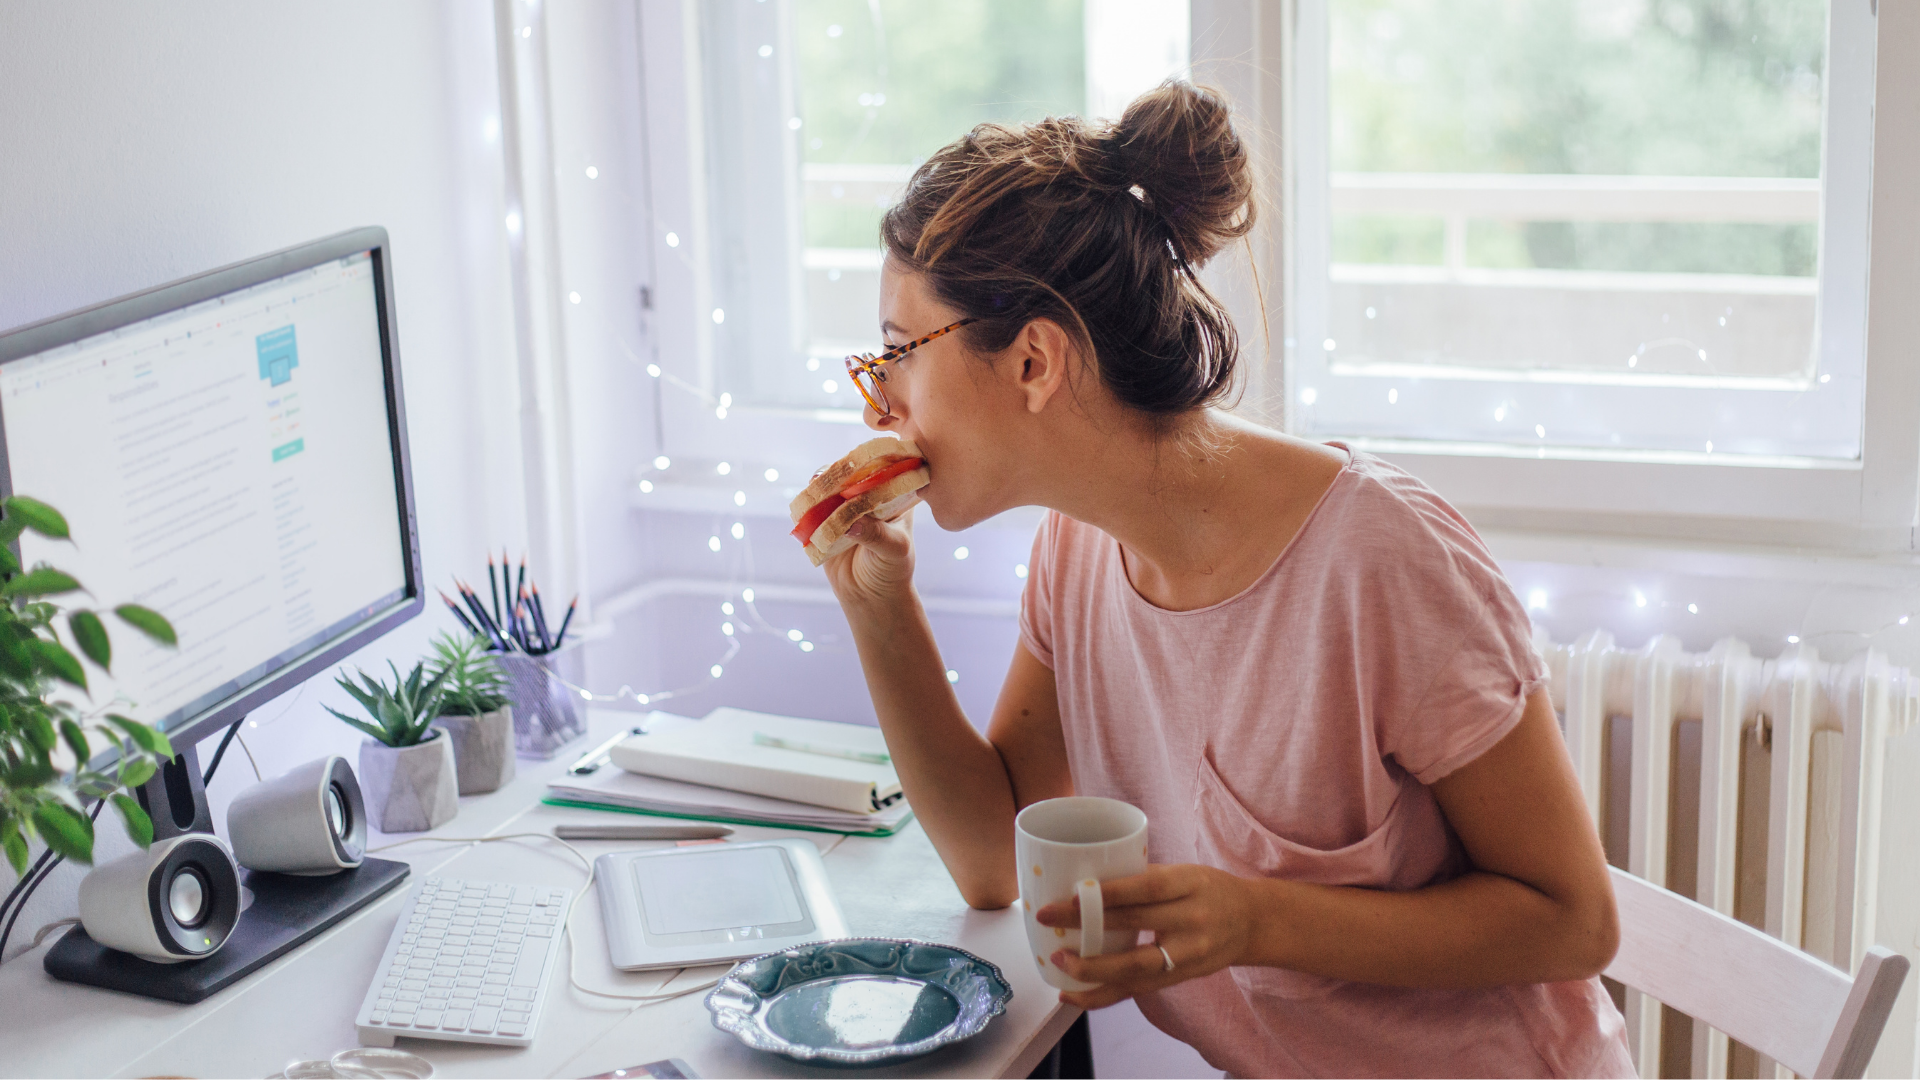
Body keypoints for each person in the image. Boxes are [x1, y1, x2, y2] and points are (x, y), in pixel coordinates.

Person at [819, 80, 1634, 1078]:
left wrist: (1257, 920)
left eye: (900, 353)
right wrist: (878, 606)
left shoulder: (1381, 562)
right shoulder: (1078, 556)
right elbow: (993, 863)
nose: (877, 404)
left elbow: (1573, 922)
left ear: (1034, 362)